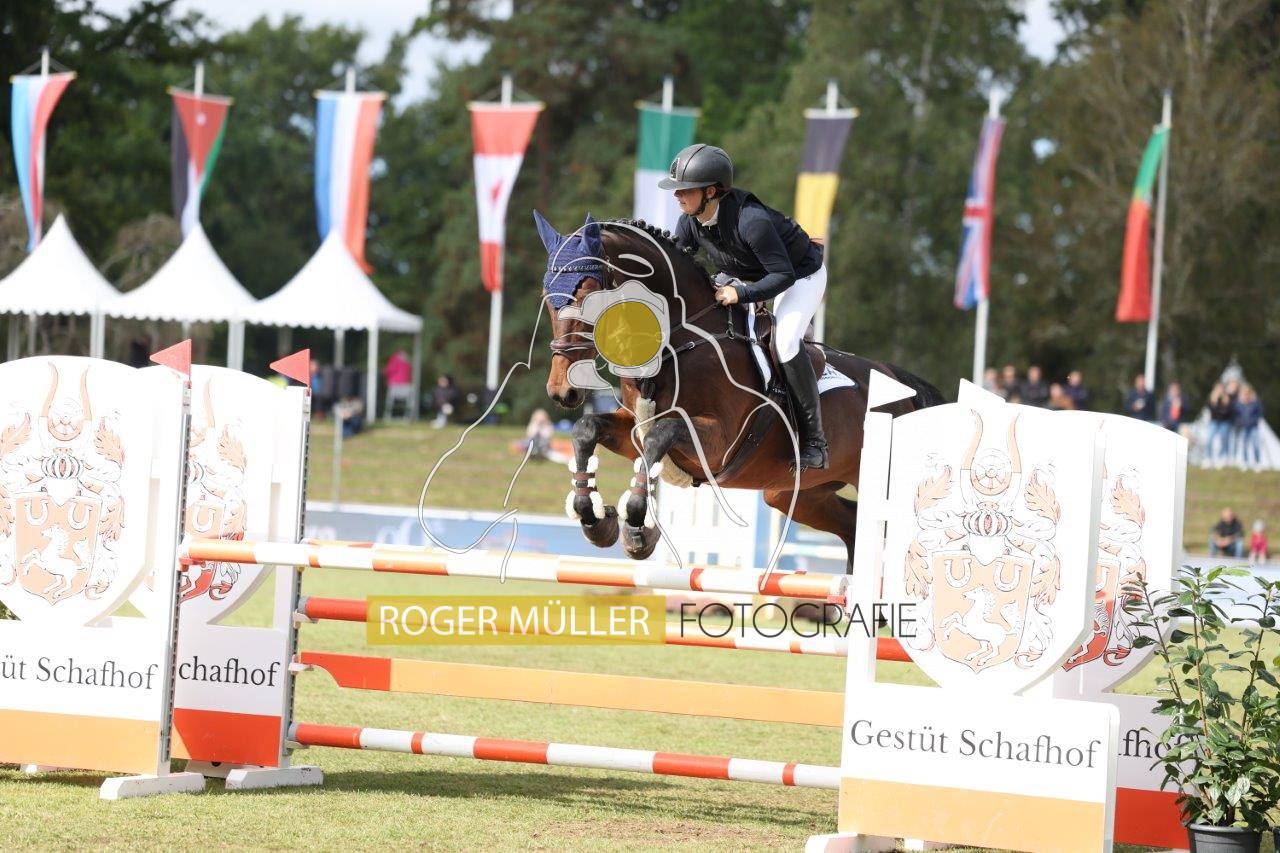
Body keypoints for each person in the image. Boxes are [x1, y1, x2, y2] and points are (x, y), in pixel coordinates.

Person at [663, 143, 828, 470]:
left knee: (784, 342)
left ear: (711, 192)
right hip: (748, 273)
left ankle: (815, 442)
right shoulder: (690, 222)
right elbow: (678, 268)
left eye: (685, 190)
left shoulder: (752, 221)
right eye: (677, 190)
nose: (677, 196)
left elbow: (782, 275)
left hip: (799, 276)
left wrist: (740, 294)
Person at [1233, 385, 1263, 470]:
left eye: (1247, 393)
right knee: (1244, 445)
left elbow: (1259, 414)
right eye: (1244, 393)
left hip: (1254, 427)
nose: (1246, 395)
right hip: (1243, 427)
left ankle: (1257, 462)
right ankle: (1245, 462)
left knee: (1256, 445)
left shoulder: (1256, 403)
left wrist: (1253, 421)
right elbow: (1236, 415)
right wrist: (1240, 422)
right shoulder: (1238, 404)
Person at [1206, 382, 1234, 467]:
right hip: (1214, 421)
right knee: (1209, 439)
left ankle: (1223, 457)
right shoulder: (1212, 398)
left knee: (1224, 439)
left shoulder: (1227, 398)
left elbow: (1228, 411)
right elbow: (1212, 410)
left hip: (1224, 422)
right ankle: (1208, 458)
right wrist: (1215, 402)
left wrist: (1221, 408)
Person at [382, 350, 414, 420]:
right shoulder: (408, 362)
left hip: (395, 387)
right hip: (407, 388)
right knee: (408, 401)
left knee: (390, 401)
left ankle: (388, 416)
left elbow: (387, 371)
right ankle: (407, 417)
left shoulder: (395, 361)